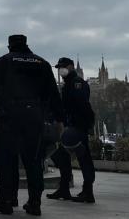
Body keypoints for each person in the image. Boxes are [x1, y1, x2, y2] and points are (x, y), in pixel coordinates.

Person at [0, 35, 64, 217]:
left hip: (10, 118)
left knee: (6, 161)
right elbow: (54, 95)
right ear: (26, 45)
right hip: (34, 118)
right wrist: (59, 120)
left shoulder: (5, 61)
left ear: (10, 46)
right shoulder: (42, 63)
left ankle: (5, 201)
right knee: (34, 162)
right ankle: (34, 203)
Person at [48, 57, 96, 203]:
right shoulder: (67, 84)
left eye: (62, 67)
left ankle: (87, 192)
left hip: (78, 127)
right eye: (58, 68)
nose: (60, 70)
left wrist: (81, 126)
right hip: (72, 126)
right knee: (61, 156)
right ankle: (65, 188)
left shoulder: (77, 84)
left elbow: (82, 107)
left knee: (83, 159)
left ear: (70, 67)